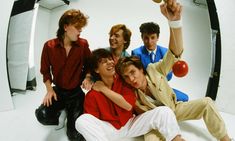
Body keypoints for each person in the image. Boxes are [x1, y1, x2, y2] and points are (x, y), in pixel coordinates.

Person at [115, 0, 232, 141]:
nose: (131, 79)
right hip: (155, 123)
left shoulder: (153, 69)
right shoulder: (129, 91)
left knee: (207, 103)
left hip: (174, 108)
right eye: (126, 77)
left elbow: (174, 53)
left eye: (132, 73)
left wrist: (175, 22)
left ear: (141, 69)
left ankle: (226, 139)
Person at [75, 48, 185, 141]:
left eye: (110, 59)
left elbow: (128, 105)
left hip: (131, 124)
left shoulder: (123, 81)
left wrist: (104, 89)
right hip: (109, 130)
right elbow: (93, 123)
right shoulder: (92, 94)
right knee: (81, 121)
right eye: (103, 61)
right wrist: (89, 78)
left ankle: (176, 139)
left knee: (164, 111)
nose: (110, 62)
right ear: (96, 70)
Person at [35, 9, 91, 141]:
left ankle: (68, 112)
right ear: (65, 27)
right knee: (42, 115)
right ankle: (62, 111)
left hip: (76, 93)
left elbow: (90, 65)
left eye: (81, 28)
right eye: (77, 27)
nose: (80, 31)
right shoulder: (49, 46)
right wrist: (49, 90)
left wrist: (88, 77)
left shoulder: (83, 45)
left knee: (75, 136)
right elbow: (45, 71)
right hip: (58, 91)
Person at [131, 22, 189, 102]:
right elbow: (138, 76)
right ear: (142, 38)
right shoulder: (136, 53)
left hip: (163, 88)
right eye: (146, 38)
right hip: (147, 90)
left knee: (184, 98)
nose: (149, 41)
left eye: (152, 37)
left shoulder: (165, 52)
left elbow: (169, 76)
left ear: (157, 37)